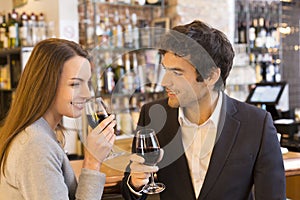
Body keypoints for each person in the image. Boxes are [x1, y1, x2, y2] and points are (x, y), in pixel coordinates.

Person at [121, 20, 286, 200]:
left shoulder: (256, 124)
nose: (164, 82)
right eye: (165, 70)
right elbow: (131, 193)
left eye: (177, 73)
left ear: (211, 76)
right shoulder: (151, 114)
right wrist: (136, 183)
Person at [0, 38, 116, 200]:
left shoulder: (40, 133)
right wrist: (92, 162)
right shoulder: (35, 145)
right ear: (47, 85)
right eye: (75, 84)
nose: (87, 94)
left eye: (87, 83)